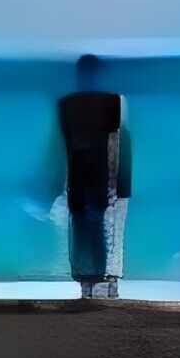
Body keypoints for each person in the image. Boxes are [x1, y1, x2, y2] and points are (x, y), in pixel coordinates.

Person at [56, 54, 130, 300]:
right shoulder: (112, 101)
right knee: (101, 226)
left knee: (84, 226)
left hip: (83, 174)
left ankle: (89, 283)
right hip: (101, 175)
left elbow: (62, 147)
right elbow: (118, 141)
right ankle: (100, 283)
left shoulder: (67, 104)